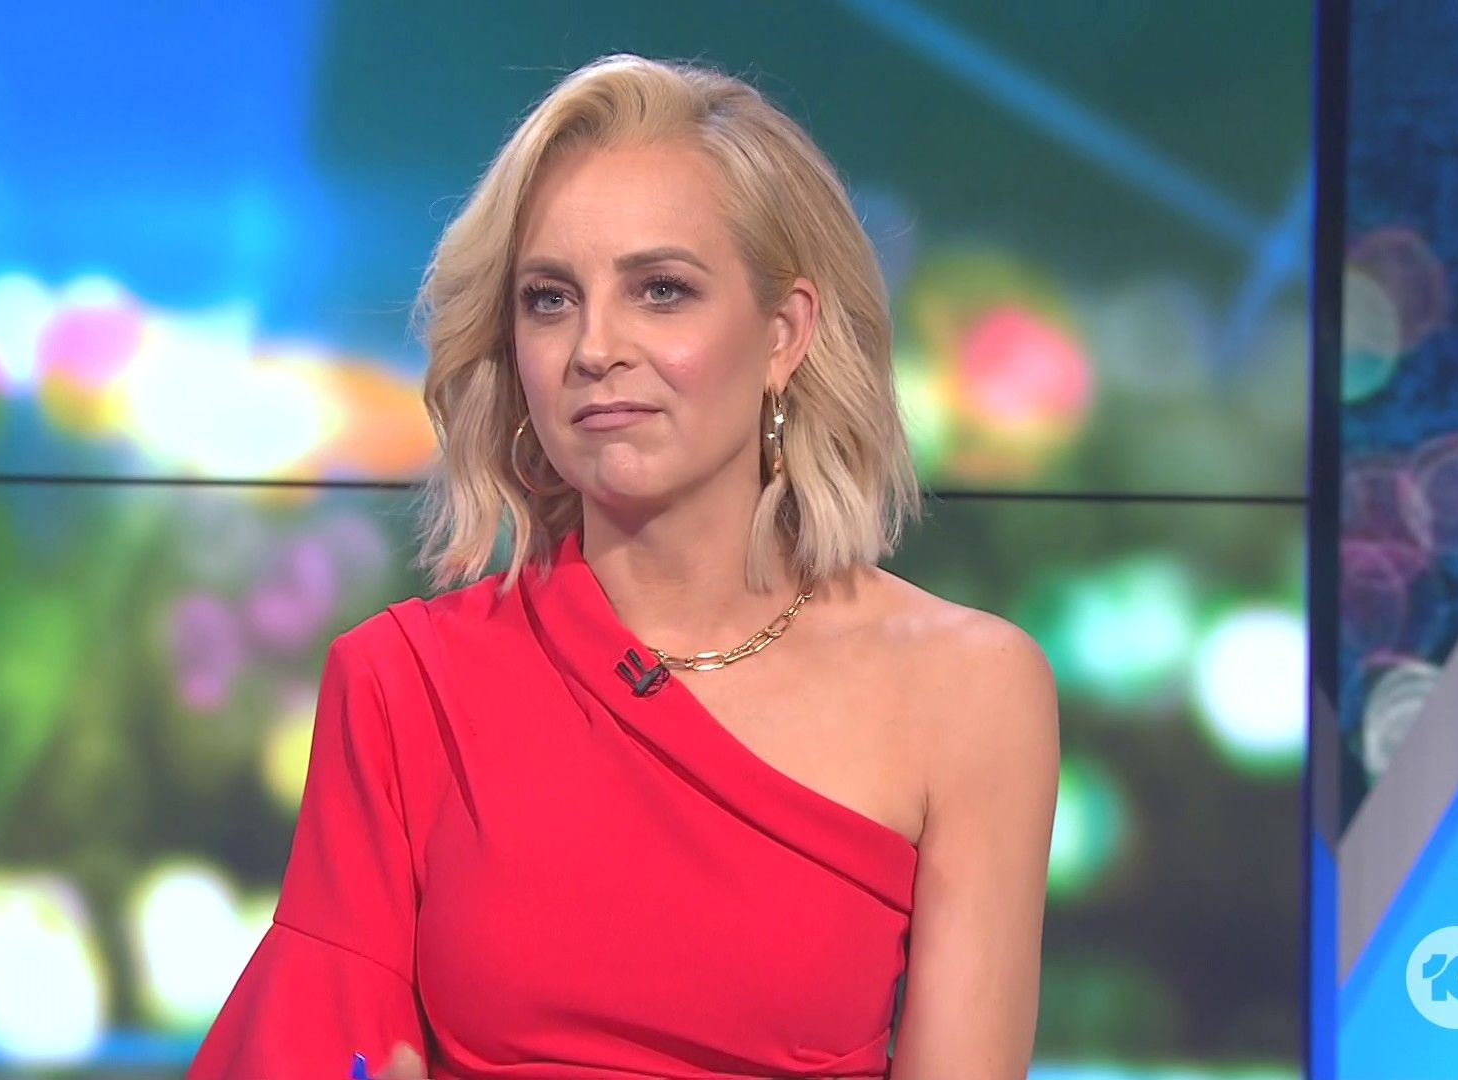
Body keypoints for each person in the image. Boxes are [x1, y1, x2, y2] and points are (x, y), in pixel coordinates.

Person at [189, 52, 1059, 1080]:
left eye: (660, 291)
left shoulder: (968, 691)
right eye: (550, 300)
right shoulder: (404, 686)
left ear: (784, 334)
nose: (594, 347)